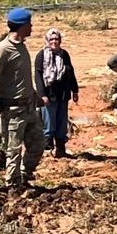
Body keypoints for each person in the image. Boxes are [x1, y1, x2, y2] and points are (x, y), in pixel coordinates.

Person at [0, 8, 43, 188]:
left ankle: (24, 175)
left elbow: (22, 77)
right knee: (13, 150)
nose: (32, 27)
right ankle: (12, 187)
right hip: (12, 111)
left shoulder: (22, 45)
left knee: (38, 145)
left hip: (29, 108)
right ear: (21, 26)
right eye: (29, 24)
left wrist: (36, 96)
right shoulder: (3, 49)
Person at [34, 28, 79, 158]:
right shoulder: (41, 55)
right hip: (49, 94)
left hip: (63, 94)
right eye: (52, 39)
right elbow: (37, 75)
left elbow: (71, 72)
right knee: (49, 123)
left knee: (61, 122)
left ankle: (60, 150)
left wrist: (75, 90)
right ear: (47, 40)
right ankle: (47, 151)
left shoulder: (64, 54)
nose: (54, 42)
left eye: (57, 39)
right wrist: (42, 95)